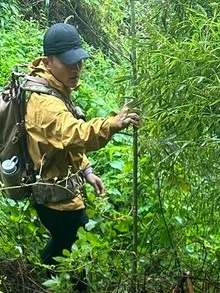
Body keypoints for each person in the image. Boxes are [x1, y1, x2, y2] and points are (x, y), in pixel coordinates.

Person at [25, 23, 139, 267]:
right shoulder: (46, 104)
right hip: (54, 197)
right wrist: (112, 124)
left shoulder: (56, 86)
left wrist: (86, 170)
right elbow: (74, 133)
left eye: (78, 61)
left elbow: (62, 143)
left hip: (62, 188)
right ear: (47, 63)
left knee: (66, 242)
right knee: (76, 244)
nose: (76, 68)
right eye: (68, 62)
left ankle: (46, 280)